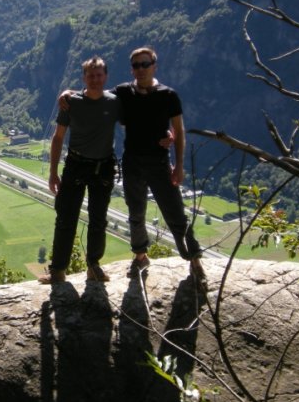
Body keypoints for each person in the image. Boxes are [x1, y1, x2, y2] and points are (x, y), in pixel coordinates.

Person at [115, 46, 205, 287]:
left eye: (145, 64)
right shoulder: (124, 92)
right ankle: (140, 257)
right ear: (131, 69)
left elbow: (180, 130)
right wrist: (71, 93)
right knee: (136, 213)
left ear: (154, 65)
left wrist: (179, 165)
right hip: (132, 162)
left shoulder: (168, 95)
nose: (140, 69)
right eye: (136, 65)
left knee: (175, 212)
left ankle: (193, 258)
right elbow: (96, 97)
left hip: (158, 162)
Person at [39, 56, 122, 285]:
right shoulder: (71, 103)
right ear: (84, 78)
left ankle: (93, 266)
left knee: (98, 219)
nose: (95, 79)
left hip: (103, 167)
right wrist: (53, 172)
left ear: (105, 76)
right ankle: (57, 271)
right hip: (75, 165)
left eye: (99, 75)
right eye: (90, 75)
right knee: (66, 217)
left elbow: (137, 119)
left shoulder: (114, 102)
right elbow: (58, 138)